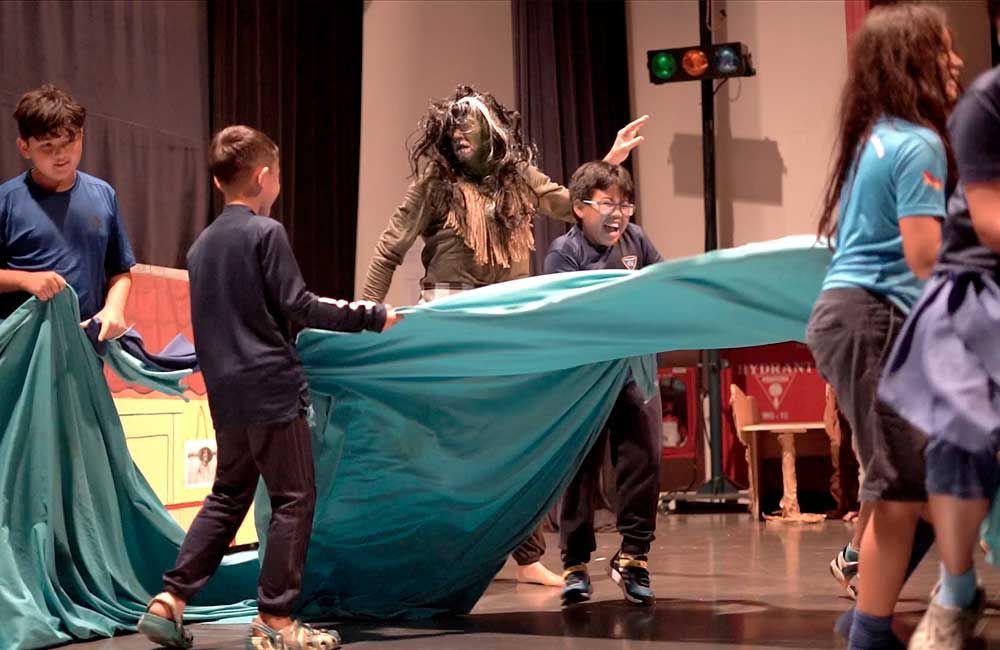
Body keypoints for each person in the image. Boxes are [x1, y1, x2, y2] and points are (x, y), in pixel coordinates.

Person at [361, 85, 649, 587]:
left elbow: (569, 205)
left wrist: (608, 161)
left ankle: (525, 555)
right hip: (449, 315)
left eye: (465, 124)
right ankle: (431, 545)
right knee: (448, 438)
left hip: (508, 315)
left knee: (515, 436)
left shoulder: (518, 176)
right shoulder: (436, 181)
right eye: (450, 128)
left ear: (491, 130)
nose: (457, 134)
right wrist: (364, 319)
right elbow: (389, 250)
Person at [137, 126, 400, 650]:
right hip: (271, 388)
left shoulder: (200, 247)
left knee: (228, 495)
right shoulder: (266, 233)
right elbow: (298, 306)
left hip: (227, 395)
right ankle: (275, 619)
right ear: (264, 177)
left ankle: (170, 600)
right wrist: (372, 315)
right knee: (293, 499)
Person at [804, 5, 963, 649]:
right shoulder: (918, 141)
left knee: (899, 481)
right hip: (873, 322)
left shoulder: (879, 136)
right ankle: (870, 633)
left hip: (860, 321)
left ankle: (864, 609)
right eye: (944, 48)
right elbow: (925, 257)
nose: (955, 60)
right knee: (904, 488)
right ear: (914, 59)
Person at [879, 5, 1000, 647]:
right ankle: (952, 592)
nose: (954, 61)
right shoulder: (976, 110)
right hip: (976, 294)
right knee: (948, 439)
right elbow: (944, 244)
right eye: (943, 49)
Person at [544, 161, 662, 607]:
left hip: (634, 371)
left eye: (625, 204)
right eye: (608, 204)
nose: (619, 214)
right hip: (584, 376)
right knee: (580, 470)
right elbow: (565, 315)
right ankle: (574, 565)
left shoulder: (637, 241)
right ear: (579, 208)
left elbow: (663, 286)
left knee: (643, 460)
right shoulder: (564, 253)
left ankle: (634, 558)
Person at [0, 84, 134, 341]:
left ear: (81, 135)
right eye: (47, 146)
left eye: (68, 141)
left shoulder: (103, 194)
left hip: (85, 345)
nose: (61, 155)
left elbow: (120, 271)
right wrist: (24, 280)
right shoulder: (6, 201)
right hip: (22, 349)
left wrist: (114, 308)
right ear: (24, 147)